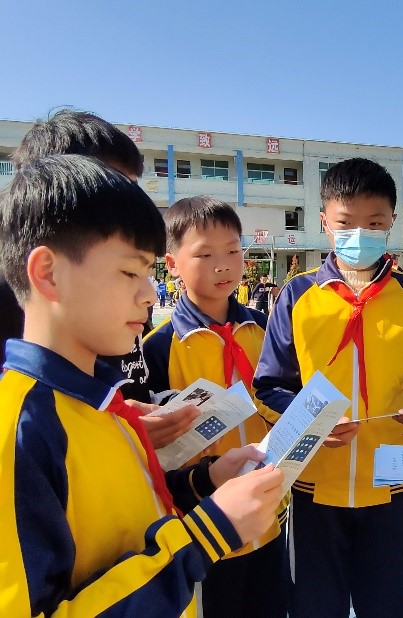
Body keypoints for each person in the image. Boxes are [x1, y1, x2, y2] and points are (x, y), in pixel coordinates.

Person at [0, 154, 285, 616]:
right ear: (48, 273)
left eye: (149, 274)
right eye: (130, 272)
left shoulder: (99, 404)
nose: (152, 294)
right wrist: (206, 534)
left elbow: (134, 519)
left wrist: (205, 480)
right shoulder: (18, 433)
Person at [253, 157, 403, 617]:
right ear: (325, 222)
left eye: (375, 223)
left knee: (393, 608)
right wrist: (312, 423)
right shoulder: (297, 296)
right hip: (311, 491)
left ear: (391, 224)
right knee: (312, 607)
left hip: (394, 482)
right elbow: (269, 385)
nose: (359, 235)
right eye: (346, 223)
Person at [1, 108, 196, 444]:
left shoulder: (129, 290)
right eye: (116, 186)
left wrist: (122, 416)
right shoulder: (21, 426)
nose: (132, 204)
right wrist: (108, 429)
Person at [142, 196, 290, 618]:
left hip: (269, 515)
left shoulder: (264, 331)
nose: (223, 265)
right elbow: (156, 452)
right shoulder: (158, 348)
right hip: (203, 528)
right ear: (171, 264)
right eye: (205, 254)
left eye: (233, 251)